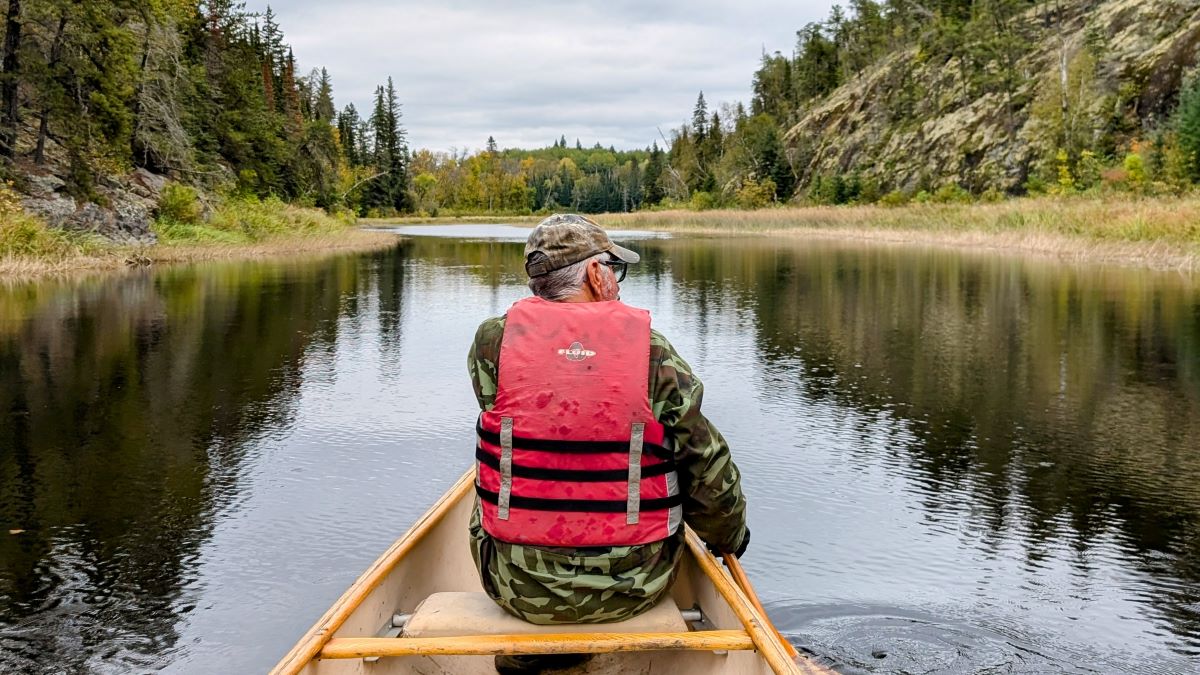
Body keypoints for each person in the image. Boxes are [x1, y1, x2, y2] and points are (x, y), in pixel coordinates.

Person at [467, 213, 749, 674]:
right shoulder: (653, 351)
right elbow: (706, 463)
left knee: (488, 473)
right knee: (670, 454)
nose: (616, 281)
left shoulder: (491, 342)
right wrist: (729, 538)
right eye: (613, 269)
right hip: (633, 588)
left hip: (514, 586)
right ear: (597, 275)